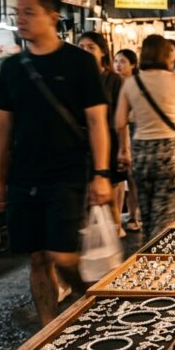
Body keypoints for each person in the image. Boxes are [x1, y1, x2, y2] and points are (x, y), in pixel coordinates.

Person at [0, 0, 112, 326]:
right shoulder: (12, 68)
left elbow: (97, 122)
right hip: (24, 176)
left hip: (67, 173)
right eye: (17, 13)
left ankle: (90, 305)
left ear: (53, 17)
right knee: (38, 258)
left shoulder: (80, 63)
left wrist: (102, 174)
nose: (21, 20)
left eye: (29, 12)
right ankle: (48, 330)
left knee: (63, 254)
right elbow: (4, 128)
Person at [116, 35, 175, 238]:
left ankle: (148, 251)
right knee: (169, 215)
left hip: (141, 149)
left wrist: (124, 149)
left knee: (147, 212)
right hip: (170, 150)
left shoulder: (131, 83)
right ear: (166, 55)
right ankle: (162, 256)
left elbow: (119, 121)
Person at [78, 32, 126, 237]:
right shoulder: (75, 79)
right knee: (87, 197)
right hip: (81, 144)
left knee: (109, 194)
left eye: (91, 47)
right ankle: (93, 238)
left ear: (103, 51)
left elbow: (121, 119)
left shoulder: (114, 80)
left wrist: (125, 148)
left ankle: (116, 234)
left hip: (109, 141)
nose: (86, 51)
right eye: (82, 47)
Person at [112, 49, 142, 233]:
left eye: (122, 61)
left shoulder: (136, 85)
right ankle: (116, 221)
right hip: (115, 133)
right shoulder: (110, 83)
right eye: (116, 61)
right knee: (117, 179)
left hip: (134, 133)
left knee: (132, 179)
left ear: (133, 64)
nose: (118, 65)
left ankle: (132, 216)